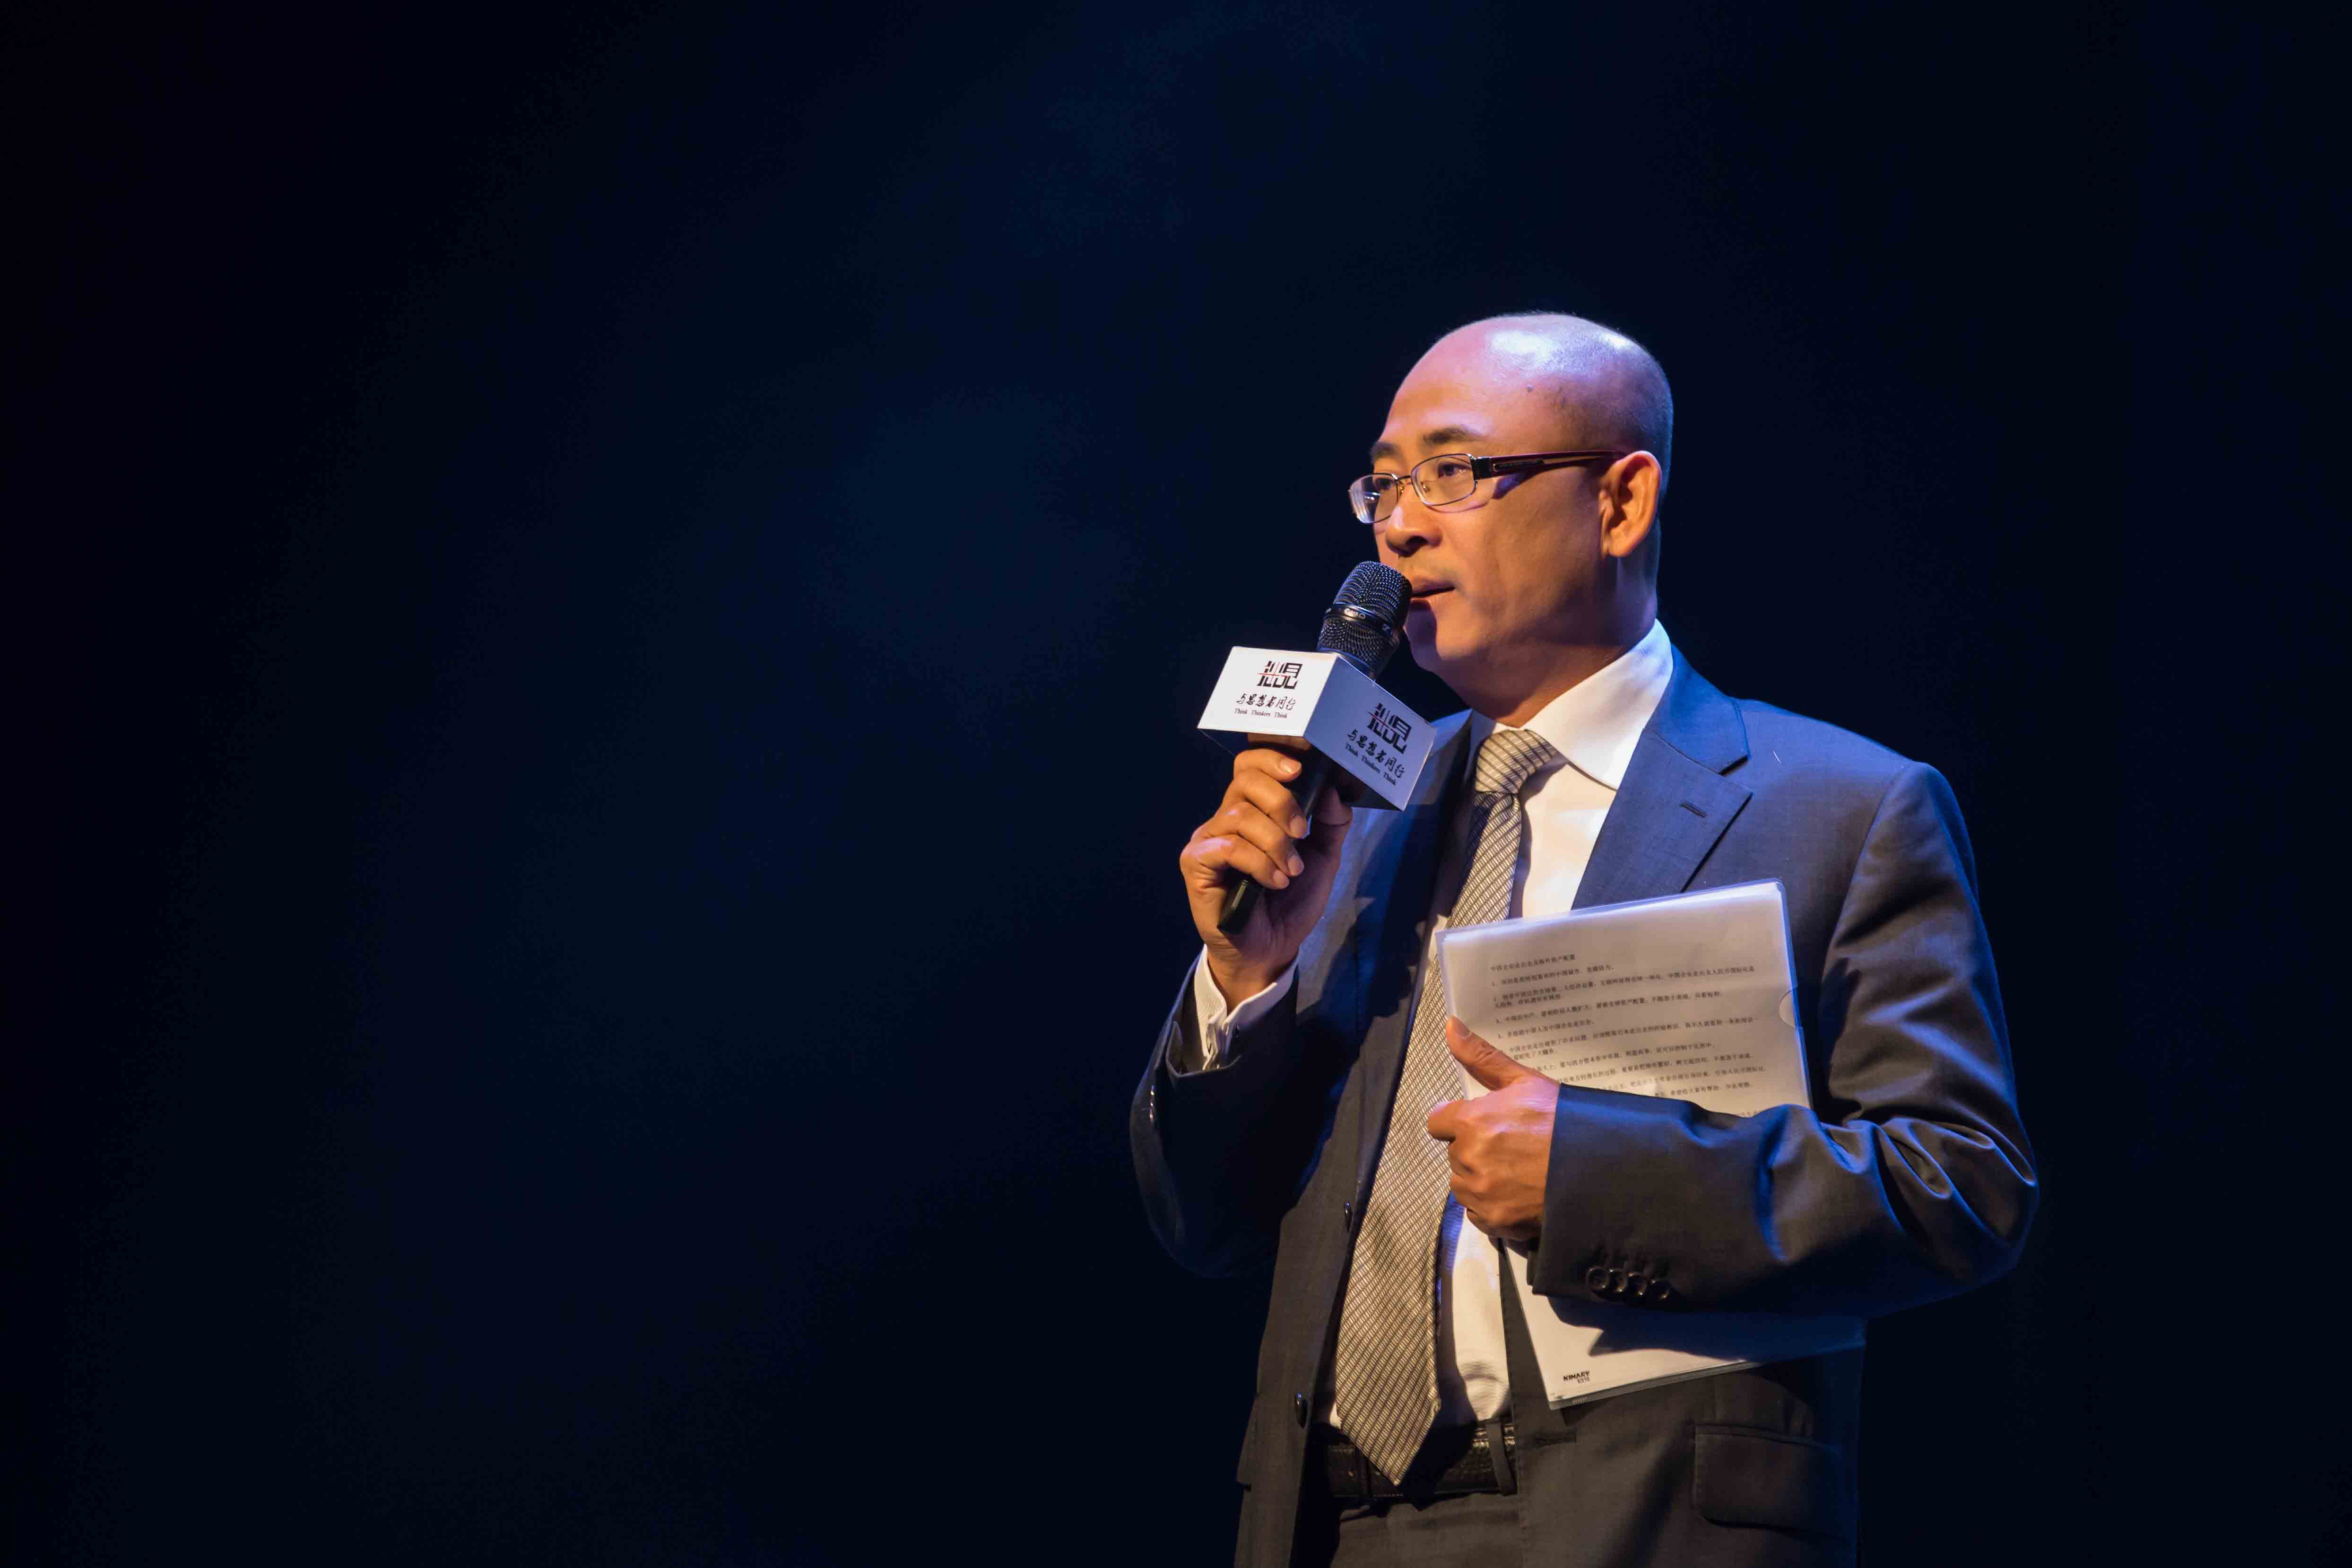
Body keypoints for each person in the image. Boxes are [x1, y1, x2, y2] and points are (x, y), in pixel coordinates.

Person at [1130, 313, 2037, 1567]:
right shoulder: (1352, 816)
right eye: (1383, 486)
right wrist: (1250, 982)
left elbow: (1963, 1185)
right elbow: (1204, 1224)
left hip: (1639, 1519)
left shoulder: (1841, 806)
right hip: (1331, 1529)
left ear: (1621, 501)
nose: (1400, 528)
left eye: (1455, 472)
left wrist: (1599, 1179)